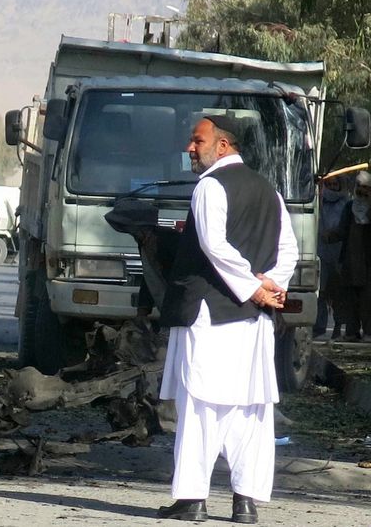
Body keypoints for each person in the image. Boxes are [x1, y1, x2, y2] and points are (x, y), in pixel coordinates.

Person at [157, 116, 298, 524]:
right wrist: (272, 284)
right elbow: (287, 249)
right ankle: (245, 502)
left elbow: (214, 245)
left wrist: (257, 288)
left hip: (211, 313)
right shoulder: (268, 189)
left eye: (196, 140)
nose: (189, 148)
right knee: (247, 409)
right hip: (252, 318)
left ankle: (193, 499)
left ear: (222, 146)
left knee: (202, 404)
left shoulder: (209, 187)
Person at [332, 171, 371, 341]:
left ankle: (369, 332)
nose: (361, 191)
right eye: (359, 187)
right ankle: (351, 332)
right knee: (350, 298)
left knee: (367, 299)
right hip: (350, 260)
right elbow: (342, 231)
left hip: (368, 262)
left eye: (365, 187)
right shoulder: (350, 207)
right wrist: (328, 236)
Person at [314, 176, 349, 339]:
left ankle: (338, 325)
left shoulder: (345, 204)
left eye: (336, 184)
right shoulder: (318, 201)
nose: (333, 187)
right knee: (320, 292)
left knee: (338, 293)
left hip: (338, 253)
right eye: (330, 184)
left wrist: (334, 235)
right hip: (320, 252)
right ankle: (319, 325)